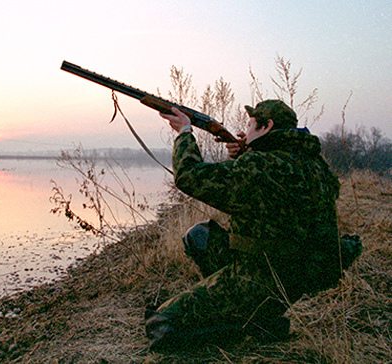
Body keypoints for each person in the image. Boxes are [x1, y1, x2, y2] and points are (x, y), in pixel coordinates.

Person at [145, 99, 345, 350]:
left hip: (260, 277)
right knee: (200, 235)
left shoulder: (262, 166)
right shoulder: (314, 164)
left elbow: (190, 176)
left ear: (266, 126)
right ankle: (249, 311)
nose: (245, 131)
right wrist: (247, 155)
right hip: (295, 276)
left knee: (160, 324)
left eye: (251, 125)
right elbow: (268, 192)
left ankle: (253, 325)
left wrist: (185, 132)